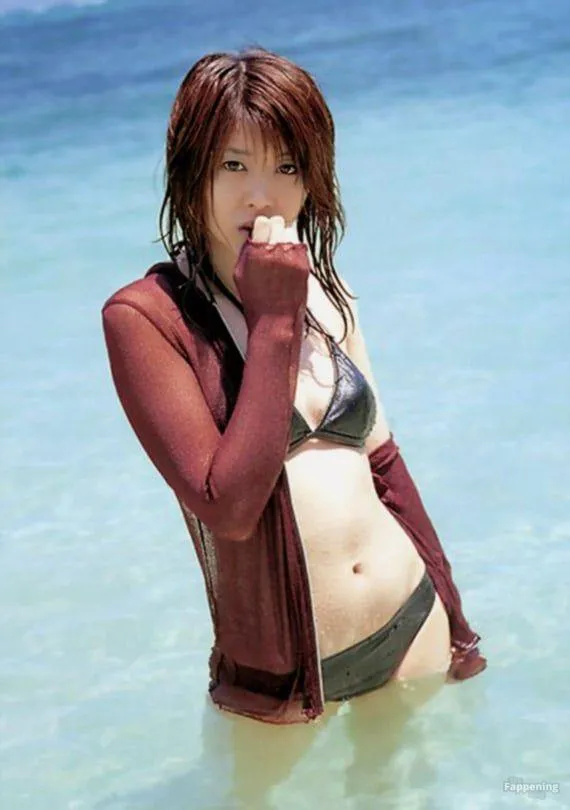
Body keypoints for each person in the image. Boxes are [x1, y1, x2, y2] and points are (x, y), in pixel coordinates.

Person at [101, 46, 487, 726]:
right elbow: (228, 507)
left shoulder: (330, 294)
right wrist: (275, 317)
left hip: (411, 621)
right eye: (233, 165)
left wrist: (457, 622)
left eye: (286, 166)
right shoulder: (145, 320)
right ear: (191, 172)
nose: (262, 194)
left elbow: (385, 466)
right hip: (281, 680)